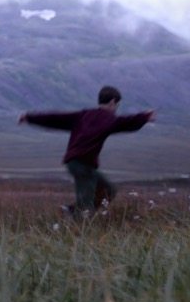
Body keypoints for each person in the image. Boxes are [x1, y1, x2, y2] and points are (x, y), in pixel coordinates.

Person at [20, 86, 155, 214]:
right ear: (113, 102)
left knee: (109, 191)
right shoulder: (108, 119)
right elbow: (126, 123)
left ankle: (71, 211)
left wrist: (29, 118)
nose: (116, 109)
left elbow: (56, 119)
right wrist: (145, 117)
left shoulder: (83, 115)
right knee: (86, 204)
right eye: (117, 106)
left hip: (76, 163)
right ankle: (80, 225)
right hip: (83, 164)